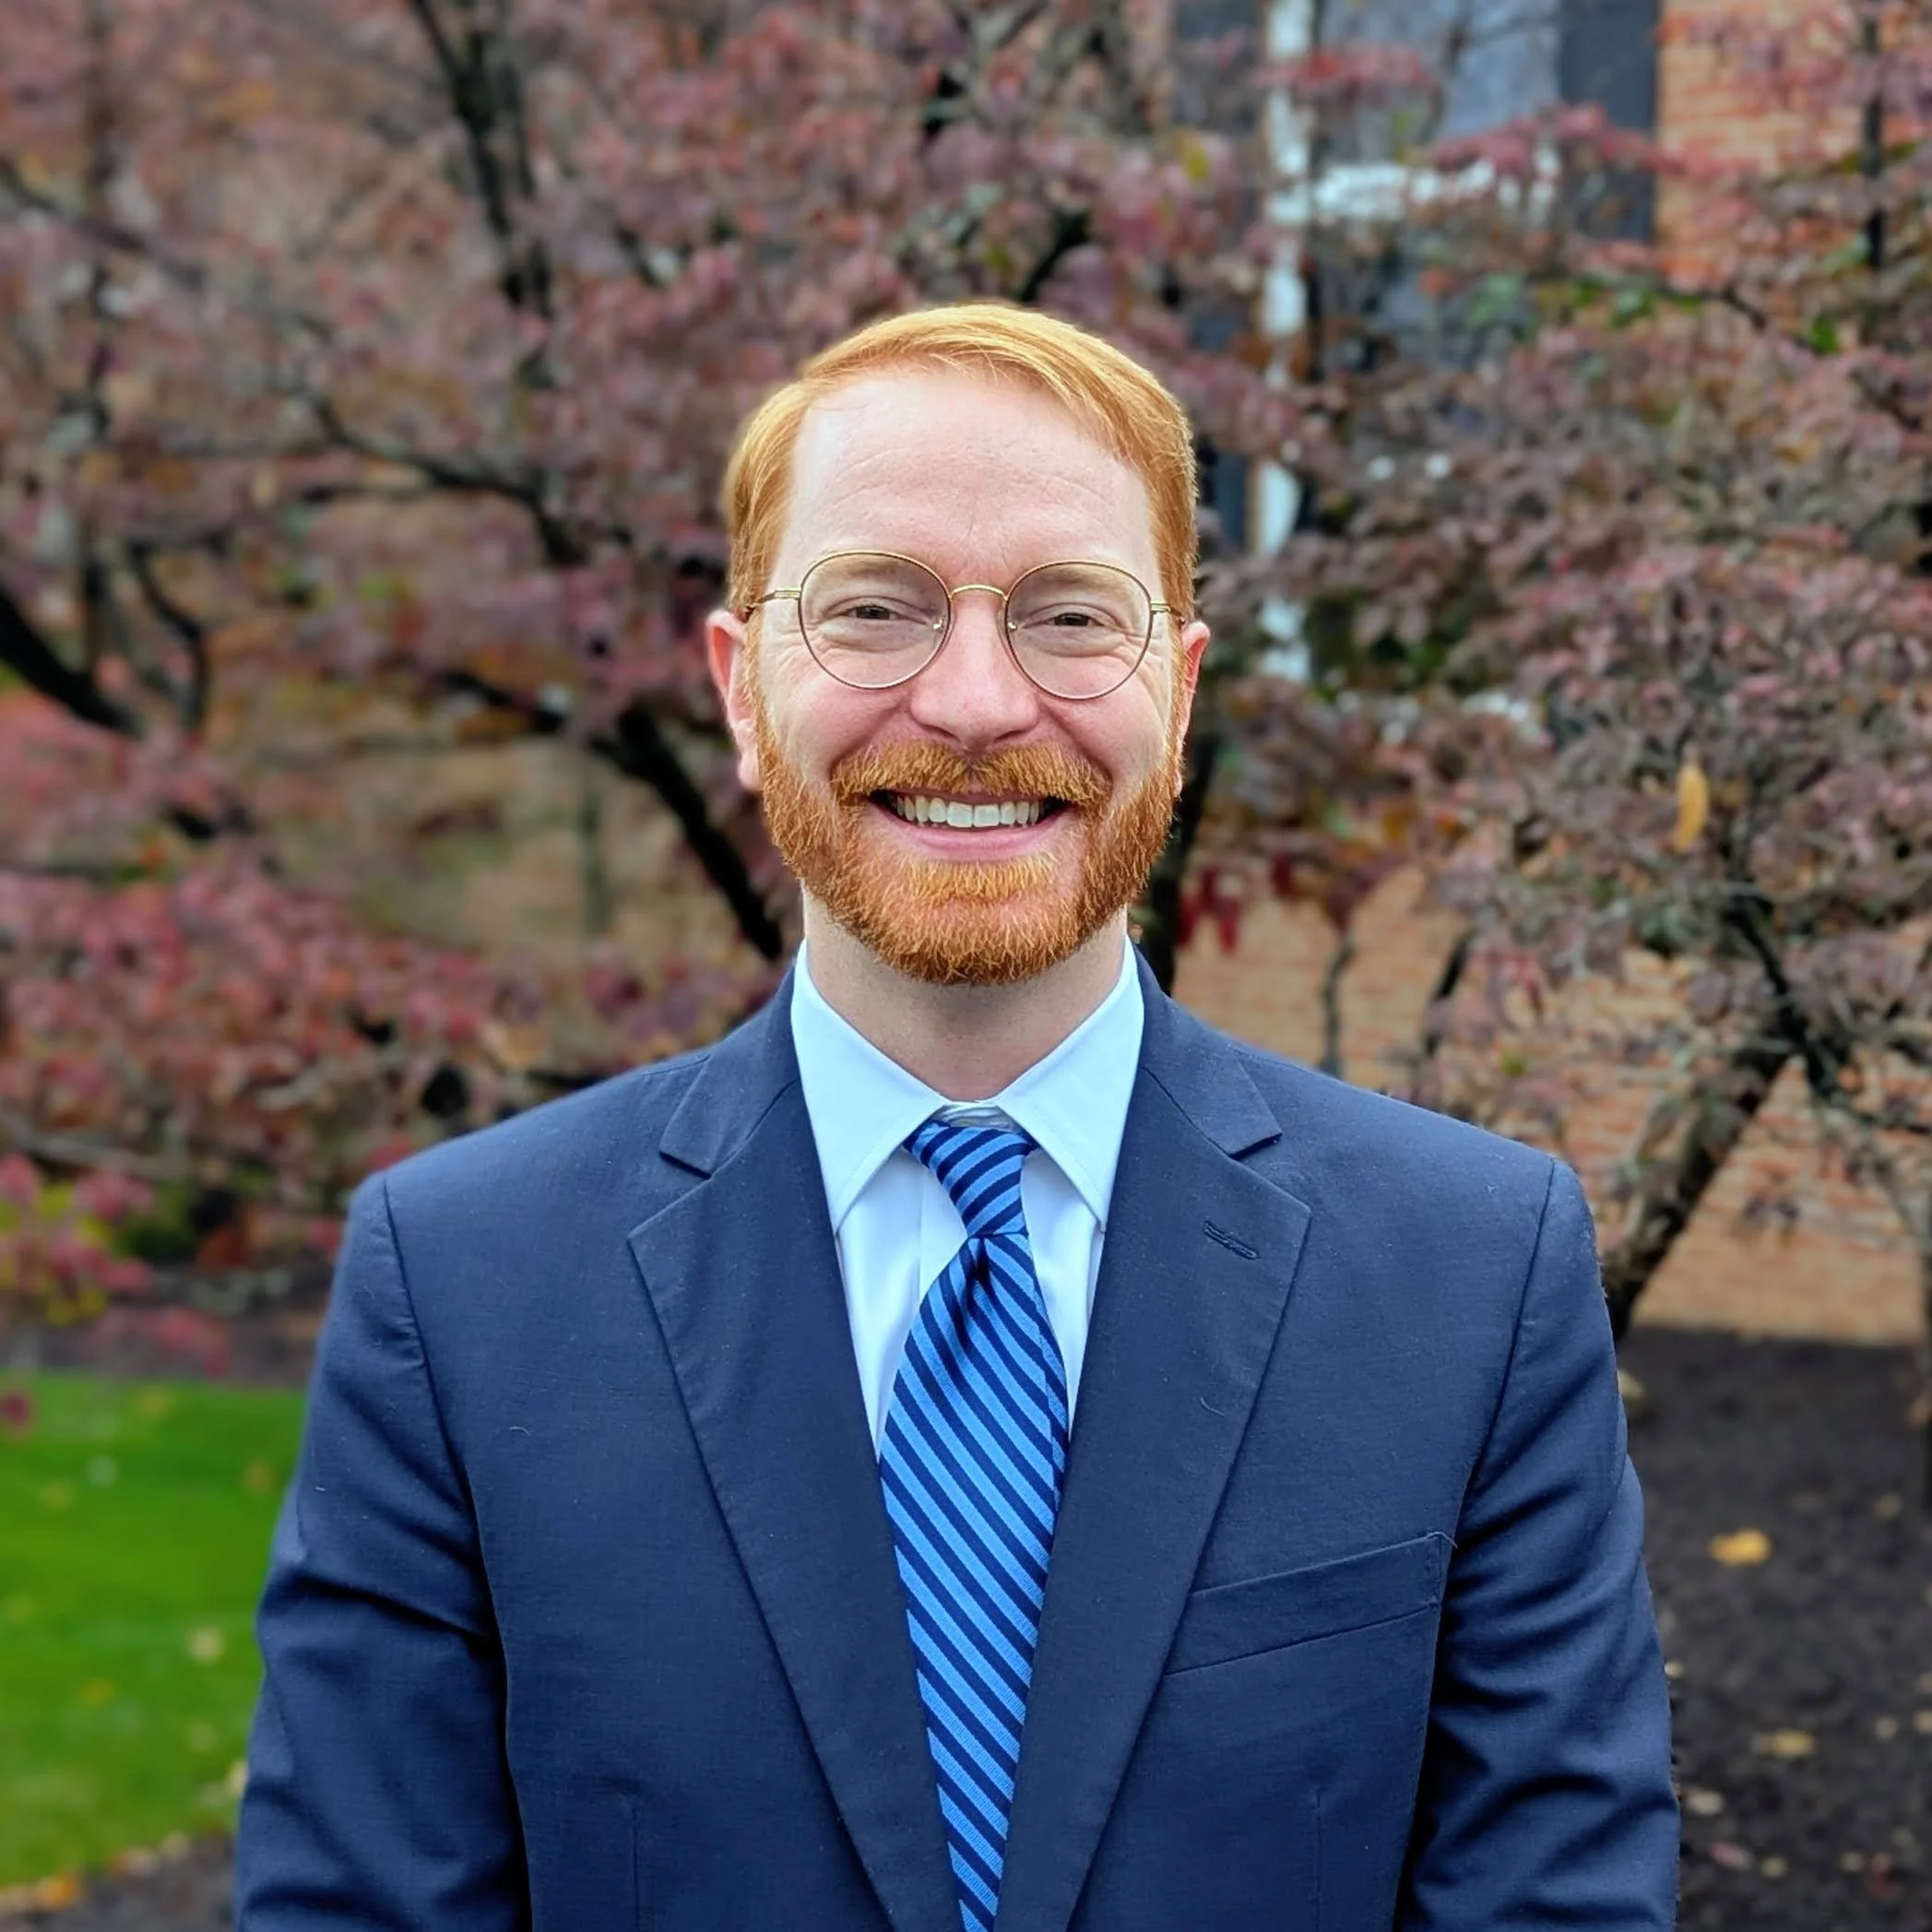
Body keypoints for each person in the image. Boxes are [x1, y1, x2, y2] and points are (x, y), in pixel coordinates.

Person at [234, 303, 1678, 1931]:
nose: (980, 700)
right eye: (874, 608)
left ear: (1178, 689)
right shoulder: (463, 1285)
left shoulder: (1473, 1275)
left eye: (1072, 615)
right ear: (739, 683)